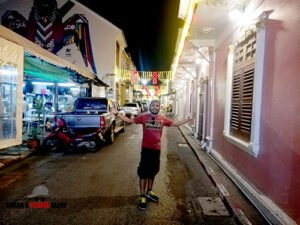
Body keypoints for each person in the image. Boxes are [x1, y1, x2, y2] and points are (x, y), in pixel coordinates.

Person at [111, 99, 192, 210]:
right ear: (150, 106)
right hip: (146, 150)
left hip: (156, 150)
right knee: (143, 173)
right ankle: (142, 196)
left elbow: (175, 124)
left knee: (153, 171)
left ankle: (149, 192)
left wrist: (188, 119)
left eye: (157, 105)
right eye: (153, 105)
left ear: (159, 107)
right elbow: (129, 121)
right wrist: (116, 113)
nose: (155, 107)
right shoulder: (143, 117)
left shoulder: (163, 119)